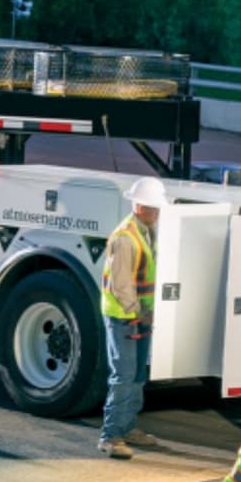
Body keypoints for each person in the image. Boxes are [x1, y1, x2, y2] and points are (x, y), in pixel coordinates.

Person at [97, 176, 169, 459]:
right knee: (123, 376)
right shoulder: (125, 238)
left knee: (137, 374)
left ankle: (127, 427)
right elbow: (121, 284)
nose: (157, 212)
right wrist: (141, 312)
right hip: (124, 316)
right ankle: (111, 436)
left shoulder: (146, 230)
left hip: (139, 315)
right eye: (153, 207)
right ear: (139, 206)